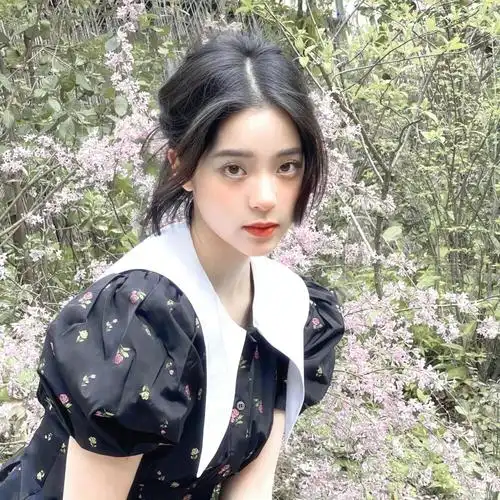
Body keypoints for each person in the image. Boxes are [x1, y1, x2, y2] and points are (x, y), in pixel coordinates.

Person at [0, 31, 345, 500]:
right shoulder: (141, 318)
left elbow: (251, 487)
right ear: (182, 167)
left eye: (286, 167)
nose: (266, 197)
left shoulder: (290, 309)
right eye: (234, 169)